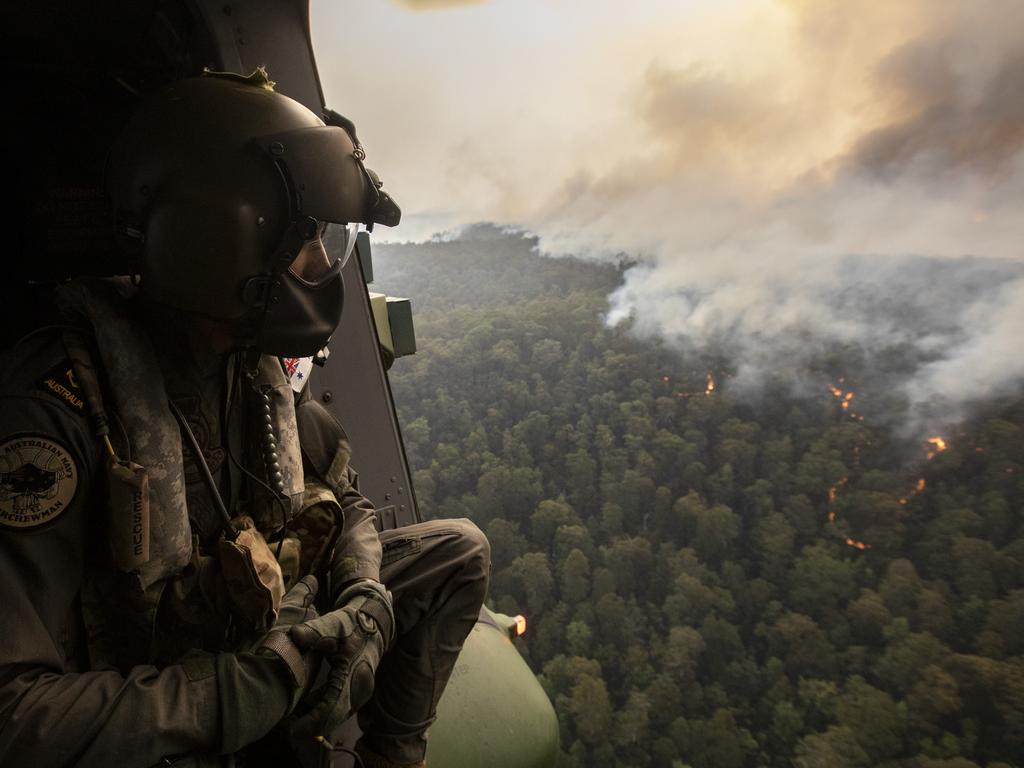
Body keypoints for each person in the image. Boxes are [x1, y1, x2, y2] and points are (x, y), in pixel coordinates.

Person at [0, 70, 489, 768]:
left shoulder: (243, 360)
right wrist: (238, 694)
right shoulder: (56, 413)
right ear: (218, 239)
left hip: (268, 634)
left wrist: (362, 585)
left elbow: (342, 497)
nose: (321, 262)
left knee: (458, 552)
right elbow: (14, 714)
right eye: (303, 238)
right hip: (162, 689)